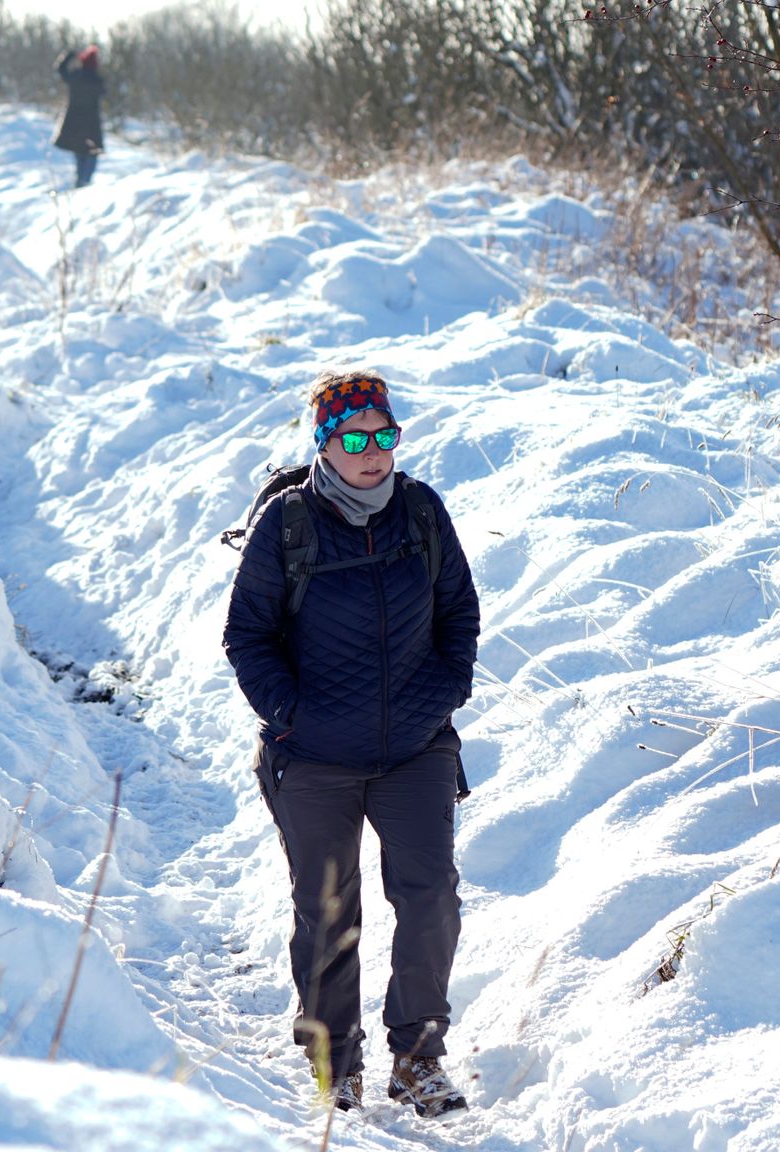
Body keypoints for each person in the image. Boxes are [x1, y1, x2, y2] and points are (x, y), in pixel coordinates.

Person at [224, 372, 480, 1119]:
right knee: (330, 911)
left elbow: (458, 613)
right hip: (314, 760)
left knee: (432, 899)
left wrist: (442, 695)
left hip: (415, 750)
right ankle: (336, 1064)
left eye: (384, 435)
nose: (373, 453)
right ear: (325, 445)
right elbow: (247, 636)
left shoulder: (422, 513)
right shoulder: (287, 525)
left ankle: (419, 1056)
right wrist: (293, 717)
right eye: (354, 437)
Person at [54, 44, 106, 188]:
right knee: (91, 153)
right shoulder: (98, 81)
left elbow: (60, 69)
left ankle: (80, 182)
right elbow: (104, 93)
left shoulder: (75, 77)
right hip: (91, 123)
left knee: (80, 152)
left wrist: (69, 55)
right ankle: (84, 182)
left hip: (74, 122)